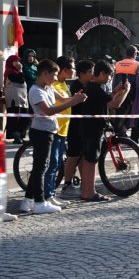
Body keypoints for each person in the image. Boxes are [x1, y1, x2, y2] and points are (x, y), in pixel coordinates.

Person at [18, 59, 86, 214]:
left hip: (49, 131)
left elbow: (62, 100)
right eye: (53, 75)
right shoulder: (35, 90)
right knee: (41, 167)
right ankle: (40, 202)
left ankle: (27, 200)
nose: (55, 78)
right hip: (41, 132)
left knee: (40, 167)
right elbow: (48, 111)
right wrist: (72, 102)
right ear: (44, 73)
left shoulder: (48, 88)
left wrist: (75, 98)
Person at [79, 61, 130, 201]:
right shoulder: (95, 87)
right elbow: (115, 104)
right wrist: (126, 91)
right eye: (110, 75)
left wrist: (116, 91)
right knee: (91, 160)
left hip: (89, 126)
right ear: (101, 74)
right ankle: (89, 192)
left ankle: (87, 190)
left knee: (89, 159)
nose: (111, 78)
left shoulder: (94, 86)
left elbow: (108, 98)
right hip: (93, 128)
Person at [43, 56, 76, 208]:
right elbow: (59, 104)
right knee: (52, 164)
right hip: (54, 128)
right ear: (64, 70)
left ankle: (51, 193)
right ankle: (47, 194)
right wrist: (73, 100)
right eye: (72, 68)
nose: (74, 70)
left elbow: (66, 101)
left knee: (56, 164)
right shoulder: (53, 85)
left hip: (64, 129)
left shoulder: (63, 84)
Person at [59, 59, 94, 199]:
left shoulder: (89, 85)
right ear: (82, 73)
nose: (92, 74)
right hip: (74, 125)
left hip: (83, 126)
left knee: (82, 155)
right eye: (90, 72)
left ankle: (85, 183)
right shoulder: (76, 86)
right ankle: (67, 185)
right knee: (73, 156)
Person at [112, 45, 139, 137]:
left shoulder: (118, 63)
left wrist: (114, 92)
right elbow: (138, 81)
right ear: (134, 53)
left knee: (120, 113)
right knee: (132, 115)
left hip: (119, 92)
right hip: (131, 93)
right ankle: (122, 132)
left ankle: (118, 132)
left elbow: (114, 79)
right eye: (136, 53)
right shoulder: (137, 64)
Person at [4, 55, 29, 144]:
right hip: (14, 100)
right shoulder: (10, 72)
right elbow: (21, 80)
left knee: (24, 117)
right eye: (16, 61)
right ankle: (16, 136)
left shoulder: (16, 72)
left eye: (19, 61)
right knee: (15, 119)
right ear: (11, 62)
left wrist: (20, 71)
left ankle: (21, 135)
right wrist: (21, 70)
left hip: (22, 99)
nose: (18, 63)